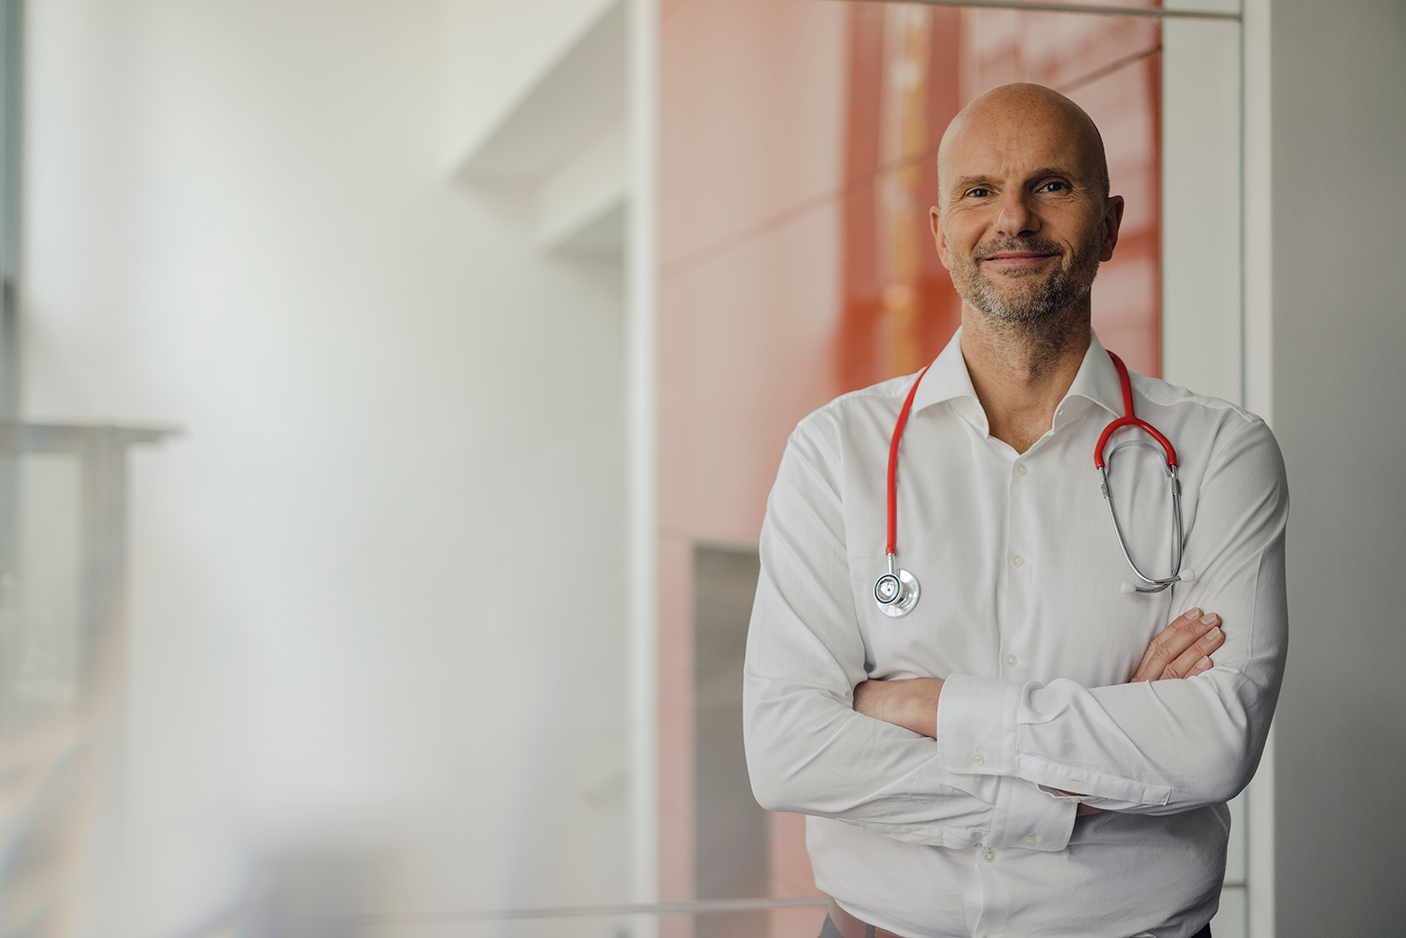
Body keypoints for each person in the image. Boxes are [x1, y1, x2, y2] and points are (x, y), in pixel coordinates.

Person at [742, 82, 1287, 938]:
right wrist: (1085, 777)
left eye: (1052, 186)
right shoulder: (834, 452)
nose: (1015, 221)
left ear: (1108, 224)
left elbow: (1210, 744)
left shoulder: (1220, 454)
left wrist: (923, 707)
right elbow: (788, 753)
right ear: (939, 233)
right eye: (980, 192)